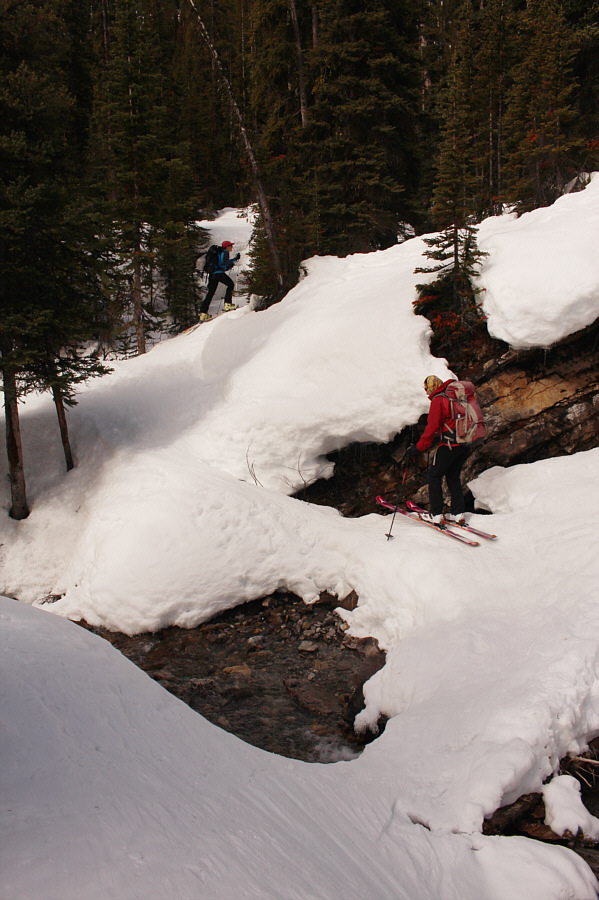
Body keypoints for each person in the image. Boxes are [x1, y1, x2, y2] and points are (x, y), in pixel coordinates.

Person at [406, 375, 469, 526]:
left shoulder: (438, 400)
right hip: (465, 443)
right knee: (453, 476)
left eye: (426, 388)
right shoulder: (455, 395)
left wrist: (418, 448)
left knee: (434, 475)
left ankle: (436, 515)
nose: (426, 391)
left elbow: (431, 427)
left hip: (449, 445)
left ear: (432, 387)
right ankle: (458, 513)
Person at [200, 240, 240, 318]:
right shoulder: (225, 252)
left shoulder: (218, 252)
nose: (231, 247)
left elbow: (222, 265)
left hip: (212, 275)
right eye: (230, 246)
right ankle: (228, 304)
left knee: (210, 293)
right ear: (227, 246)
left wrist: (230, 265)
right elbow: (224, 263)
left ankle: (203, 313)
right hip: (218, 274)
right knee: (230, 284)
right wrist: (235, 259)